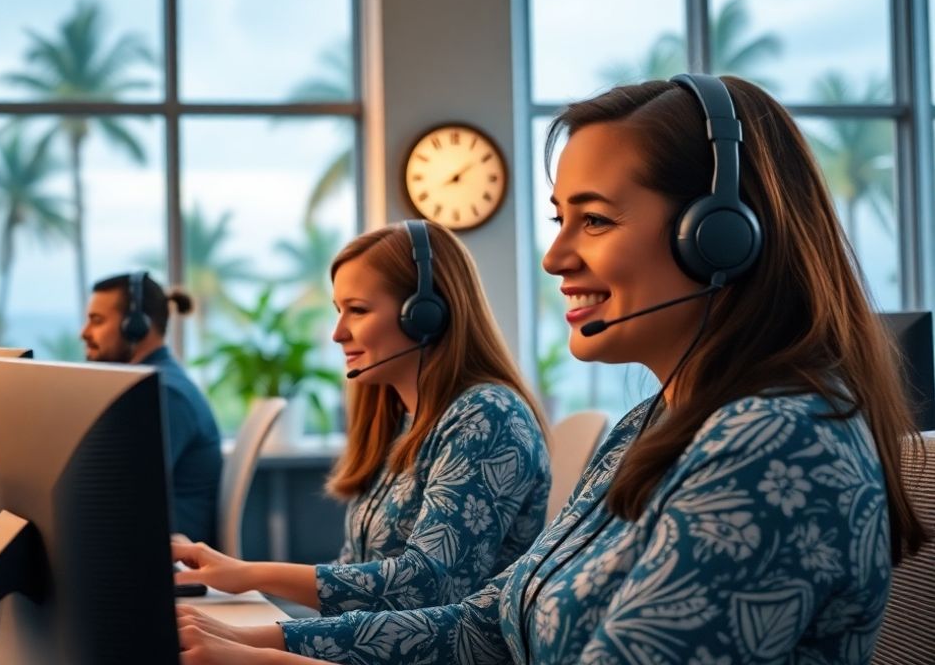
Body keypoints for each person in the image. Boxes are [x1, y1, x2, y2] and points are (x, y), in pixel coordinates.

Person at [174, 75, 927, 664]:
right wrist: (269, 644)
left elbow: (443, 586)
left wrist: (273, 643)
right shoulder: (656, 422)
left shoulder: (772, 444)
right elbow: (493, 624)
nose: (555, 257)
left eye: (594, 220)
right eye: (560, 218)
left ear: (720, 238)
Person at [173, 220, 550, 618]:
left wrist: (251, 577)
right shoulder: (401, 420)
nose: (337, 333)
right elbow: (355, 574)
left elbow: (427, 586)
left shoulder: (486, 417)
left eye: (357, 310)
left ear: (425, 315)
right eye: (339, 311)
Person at [82, 271, 221, 544]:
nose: (84, 333)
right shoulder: (148, 387)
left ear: (135, 327)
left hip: (166, 559)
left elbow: (118, 494)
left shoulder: (164, 393)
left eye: (97, 321)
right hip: (139, 548)